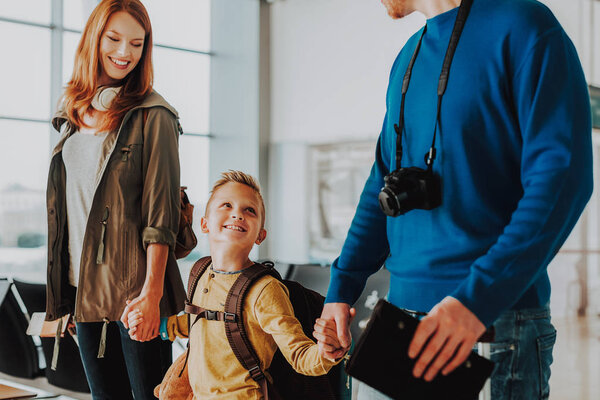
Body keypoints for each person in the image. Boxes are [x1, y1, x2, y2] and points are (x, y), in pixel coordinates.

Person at [315, 0, 593, 399]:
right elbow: (381, 184)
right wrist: (341, 289)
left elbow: (563, 178)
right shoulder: (408, 55)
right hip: (397, 319)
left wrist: (476, 301)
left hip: (491, 323)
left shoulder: (525, 26)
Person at [45, 1, 187, 398]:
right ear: (94, 38)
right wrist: (68, 297)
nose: (125, 53)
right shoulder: (72, 114)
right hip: (83, 291)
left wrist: (152, 295)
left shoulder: (154, 115)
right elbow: (68, 211)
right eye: (114, 39)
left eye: (137, 44)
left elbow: (162, 214)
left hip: (134, 293)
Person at [130, 170, 343, 399]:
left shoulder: (265, 290)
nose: (237, 215)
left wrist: (326, 352)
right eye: (227, 205)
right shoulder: (200, 272)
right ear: (204, 224)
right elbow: (199, 323)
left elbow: (299, 355)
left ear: (260, 235)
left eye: (249, 210)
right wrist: (158, 324)